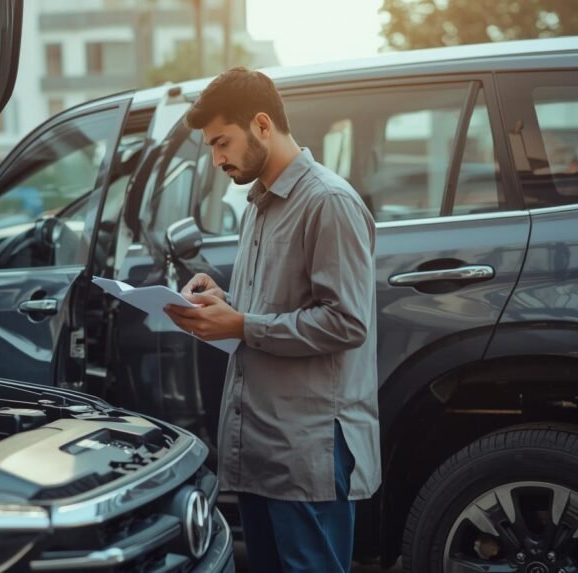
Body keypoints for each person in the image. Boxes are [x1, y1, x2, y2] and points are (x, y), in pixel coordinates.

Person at [163, 67, 380, 573]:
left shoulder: (328, 202)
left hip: (308, 449)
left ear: (262, 124)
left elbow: (347, 323)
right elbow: (278, 306)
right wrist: (226, 301)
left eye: (222, 142)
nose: (217, 159)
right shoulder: (257, 205)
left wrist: (240, 325)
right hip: (260, 445)